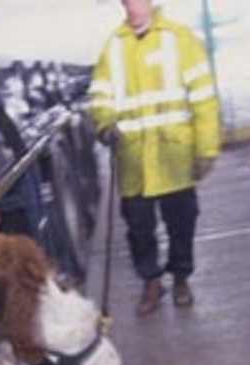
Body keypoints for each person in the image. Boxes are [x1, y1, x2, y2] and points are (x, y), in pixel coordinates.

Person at [88, 0, 221, 316]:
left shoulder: (180, 39)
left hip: (173, 158)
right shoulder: (113, 47)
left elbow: (204, 99)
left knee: (182, 224)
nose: (132, 4)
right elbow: (100, 96)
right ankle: (151, 282)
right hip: (134, 163)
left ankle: (180, 278)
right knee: (138, 229)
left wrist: (206, 150)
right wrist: (105, 124)